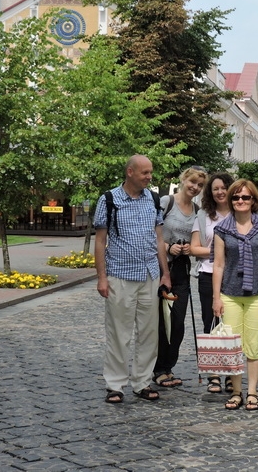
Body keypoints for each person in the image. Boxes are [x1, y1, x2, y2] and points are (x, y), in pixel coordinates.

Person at [93, 155, 171, 404]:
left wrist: (165, 273)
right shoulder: (109, 200)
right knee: (119, 333)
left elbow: (159, 238)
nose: (149, 177)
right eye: (145, 173)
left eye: (150, 172)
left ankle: (142, 382)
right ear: (130, 172)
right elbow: (100, 241)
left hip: (150, 275)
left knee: (149, 333)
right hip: (120, 275)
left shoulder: (153, 199)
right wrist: (102, 278)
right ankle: (115, 385)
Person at [212, 179, 258, 411]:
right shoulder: (222, 229)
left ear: (253, 200)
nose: (240, 201)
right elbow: (218, 264)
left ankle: (252, 391)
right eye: (236, 197)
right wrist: (216, 298)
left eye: (245, 197)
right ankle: (236, 391)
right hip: (230, 294)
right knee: (232, 346)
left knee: (254, 345)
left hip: (257, 293)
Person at [153, 166, 207, 388]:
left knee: (177, 324)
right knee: (159, 322)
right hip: (159, 266)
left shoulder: (197, 210)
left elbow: (199, 241)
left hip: (181, 270)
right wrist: (168, 246)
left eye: (200, 185)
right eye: (192, 182)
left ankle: (168, 366)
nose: (195, 187)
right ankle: (157, 369)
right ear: (183, 179)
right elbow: (152, 233)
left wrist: (188, 250)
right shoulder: (167, 203)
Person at [190, 171, 234, 393]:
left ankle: (229, 372)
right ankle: (213, 374)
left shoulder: (239, 213)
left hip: (233, 276)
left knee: (231, 325)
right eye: (215, 188)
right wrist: (218, 252)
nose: (220, 192)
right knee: (211, 324)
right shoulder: (203, 216)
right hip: (208, 275)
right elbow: (194, 247)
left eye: (224, 187)